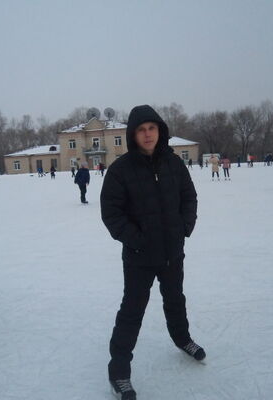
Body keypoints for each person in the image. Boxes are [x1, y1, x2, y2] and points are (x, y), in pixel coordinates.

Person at [101, 105, 204, 400]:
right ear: (133, 135)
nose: (147, 134)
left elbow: (189, 197)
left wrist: (184, 227)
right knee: (132, 312)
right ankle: (119, 372)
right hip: (140, 257)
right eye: (141, 130)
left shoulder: (174, 163)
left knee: (175, 299)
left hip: (172, 251)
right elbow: (112, 214)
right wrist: (139, 240)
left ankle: (182, 339)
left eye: (152, 128)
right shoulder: (120, 170)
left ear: (160, 131)